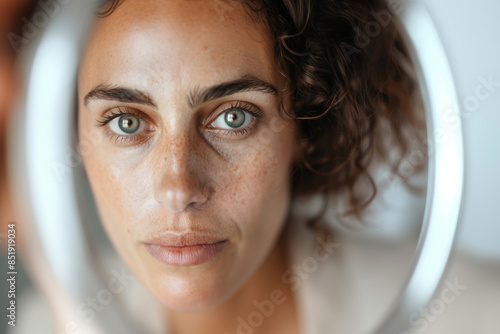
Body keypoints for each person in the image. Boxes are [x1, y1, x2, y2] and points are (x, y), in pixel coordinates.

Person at [76, 0, 425, 333]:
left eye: (233, 117)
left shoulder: (466, 316)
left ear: (305, 121)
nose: (179, 191)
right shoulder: (42, 322)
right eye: (126, 122)